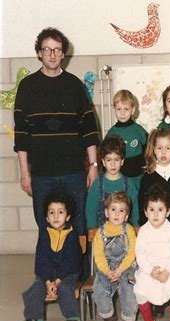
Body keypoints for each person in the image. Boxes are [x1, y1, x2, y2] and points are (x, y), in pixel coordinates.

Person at [14, 27, 100, 259]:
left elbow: (89, 130)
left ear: (64, 54)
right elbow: (21, 136)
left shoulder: (74, 85)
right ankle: (49, 278)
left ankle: (78, 278)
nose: (52, 54)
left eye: (57, 50)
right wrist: (25, 174)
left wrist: (93, 167)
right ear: (39, 53)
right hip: (42, 174)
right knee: (46, 227)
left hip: (74, 172)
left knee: (78, 225)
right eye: (47, 49)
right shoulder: (27, 87)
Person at [22, 192, 82, 321]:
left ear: (67, 216)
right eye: (52, 212)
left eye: (60, 212)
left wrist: (58, 281)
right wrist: (48, 281)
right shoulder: (44, 234)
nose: (56, 216)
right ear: (47, 218)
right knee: (35, 290)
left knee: (65, 290)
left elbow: (71, 261)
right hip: (46, 275)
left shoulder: (72, 235)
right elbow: (42, 259)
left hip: (67, 274)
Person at [134, 184, 170, 321]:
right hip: (149, 269)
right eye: (151, 210)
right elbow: (140, 255)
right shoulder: (143, 231)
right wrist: (151, 271)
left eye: (160, 210)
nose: (156, 214)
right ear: (145, 211)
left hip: (169, 269)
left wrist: (167, 272)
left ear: (168, 211)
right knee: (140, 291)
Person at [92, 192, 138, 321]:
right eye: (113, 209)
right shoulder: (100, 233)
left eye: (121, 210)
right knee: (99, 288)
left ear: (126, 216)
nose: (117, 214)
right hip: (107, 267)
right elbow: (98, 255)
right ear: (106, 212)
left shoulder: (128, 230)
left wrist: (120, 269)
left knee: (129, 288)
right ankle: (109, 317)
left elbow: (132, 253)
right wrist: (106, 271)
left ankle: (128, 320)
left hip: (126, 266)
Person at [86, 136, 140, 232]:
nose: (113, 164)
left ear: (122, 161)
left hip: (125, 233)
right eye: (109, 160)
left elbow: (135, 209)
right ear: (103, 161)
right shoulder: (97, 184)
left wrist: (136, 227)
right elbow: (90, 210)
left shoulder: (129, 184)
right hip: (102, 234)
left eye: (116, 160)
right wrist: (92, 228)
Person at [106, 89, 148, 189]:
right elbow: (105, 154)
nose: (122, 113)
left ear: (132, 110)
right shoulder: (112, 133)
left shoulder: (139, 130)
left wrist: (147, 162)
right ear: (114, 110)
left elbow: (148, 147)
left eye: (126, 109)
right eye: (119, 109)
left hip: (137, 176)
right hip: (119, 176)